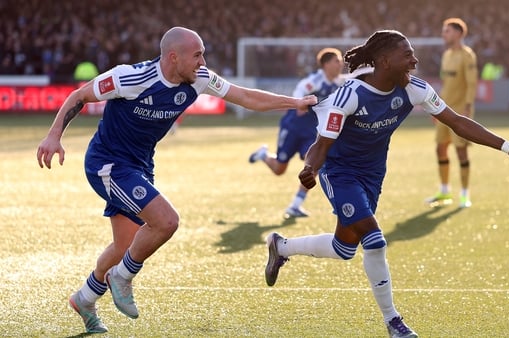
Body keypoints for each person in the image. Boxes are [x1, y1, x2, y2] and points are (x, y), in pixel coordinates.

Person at [36, 26, 317, 334]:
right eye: (197, 55)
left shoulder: (199, 80)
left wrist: (295, 102)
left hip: (140, 165)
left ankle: (85, 298)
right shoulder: (130, 78)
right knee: (166, 222)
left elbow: (246, 97)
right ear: (174, 57)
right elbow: (80, 95)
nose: (202, 61)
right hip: (108, 164)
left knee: (125, 244)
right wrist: (53, 136)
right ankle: (122, 277)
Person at [264, 30, 509, 338]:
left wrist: (507, 146)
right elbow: (321, 144)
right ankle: (394, 322)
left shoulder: (415, 89)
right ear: (384, 61)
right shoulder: (349, 95)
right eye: (407, 55)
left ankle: (281, 247)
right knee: (374, 240)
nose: (414, 60)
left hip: (373, 175)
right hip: (339, 171)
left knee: (344, 248)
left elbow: (456, 121)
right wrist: (310, 168)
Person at [248, 47, 344, 218]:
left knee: (314, 163)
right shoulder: (315, 80)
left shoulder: (339, 84)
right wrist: (300, 103)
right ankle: (264, 155)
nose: (341, 64)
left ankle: (295, 205)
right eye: (337, 60)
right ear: (326, 64)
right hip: (292, 126)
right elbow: (300, 89)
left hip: (311, 131)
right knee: (279, 169)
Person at [425, 18, 478, 208]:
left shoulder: (467, 56)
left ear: (457, 33)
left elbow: (472, 83)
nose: (443, 34)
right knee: (440, 148)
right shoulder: (446, 55)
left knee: (460, 151)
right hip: (444, 111)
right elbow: (446, 85)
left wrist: (468, 107)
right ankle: (444, 192)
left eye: (446, 31)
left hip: (460, 112)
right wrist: (435, 108)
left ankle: (464, 194)